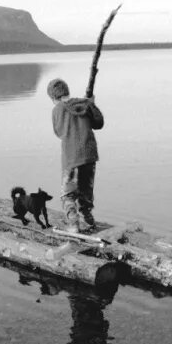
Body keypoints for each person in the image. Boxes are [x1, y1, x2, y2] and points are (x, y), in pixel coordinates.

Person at [47, 78, 104, 233]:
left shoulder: (57, 109)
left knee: (68, 194)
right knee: (86, 192)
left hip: (72, 157)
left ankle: (73, 225)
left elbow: (59, 132)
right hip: (89, 155)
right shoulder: (86, 104)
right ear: (67, 91)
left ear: (53, 97)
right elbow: (99, 123)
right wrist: (92, 104)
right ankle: (87, 219)